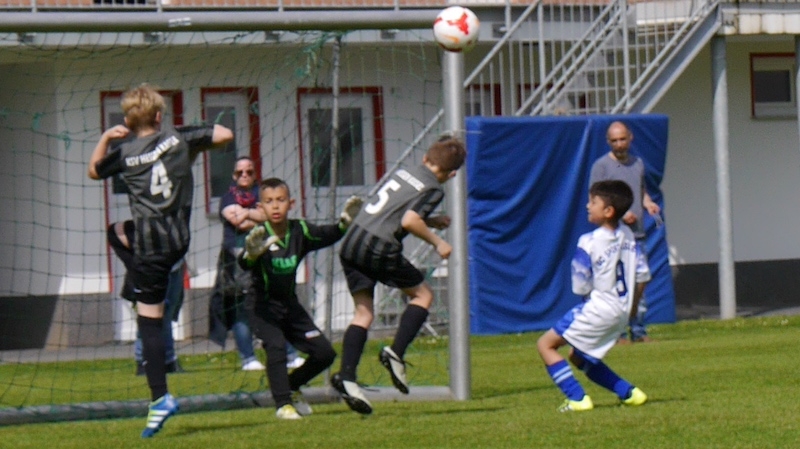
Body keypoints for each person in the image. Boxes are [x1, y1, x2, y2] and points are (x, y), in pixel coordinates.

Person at [88, 83, 233, 438]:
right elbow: (225, 134)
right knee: (118, 231)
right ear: (158, 115)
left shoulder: (124, 153)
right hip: (178, 240)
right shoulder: (178, 137)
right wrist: (188, 141)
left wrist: (106, 137)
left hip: (152, 249)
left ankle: (160, 399)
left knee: (149, 322)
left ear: (127, 121)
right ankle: (138, 281)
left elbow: (94, 171)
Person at [331, 136, 466, 415]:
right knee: (423, 295)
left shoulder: (405, 172)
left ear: (425, 158)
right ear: (451, 173)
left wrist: (431, 220)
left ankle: (347, 377)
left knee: (363, 314)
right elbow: (409, 220)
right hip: (377, 246)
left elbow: (394, 210)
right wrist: (438, 242)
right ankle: (396, 353)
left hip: (352, 241)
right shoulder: (433, 188)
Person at [238, 177, 363, 420]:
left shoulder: (300, 230)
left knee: (325, 353)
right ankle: (283, 404)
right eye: (269, 201)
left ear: (291, 203)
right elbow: (244, 262)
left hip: (289, 305)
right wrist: (251, 255)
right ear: (260, 207)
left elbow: (326, 234)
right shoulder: (259, 235)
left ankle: (293, 386)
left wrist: (344, 224)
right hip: (262, 306)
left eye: (280, 200)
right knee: (276, 347)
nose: (275, 206)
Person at [536, 180, 651, 412]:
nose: (588, 206)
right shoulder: (628, 236)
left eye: (593, 202)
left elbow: (580, 285)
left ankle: (577, 399)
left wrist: (588, 293)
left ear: (608, 211)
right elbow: (643, 275)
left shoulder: (588, 241)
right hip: (621, 311)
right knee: (578, 356)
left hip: (599, 307)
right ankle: (629, 393)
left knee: (545, 345)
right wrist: (632, 309)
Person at [589, 121, 661, 343]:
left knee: (640, 283)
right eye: (614, 140)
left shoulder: (637, 163)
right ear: (608, 142)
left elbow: (640, 190)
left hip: (637, 236)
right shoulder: (601, 167)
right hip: (613, 236)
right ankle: (617, 333)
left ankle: (638, 330)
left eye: (622, 139)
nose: (619, 144)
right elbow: (596, 201)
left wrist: (647, 203)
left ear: (631, 138)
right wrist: (620, 214)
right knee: (615, 285)